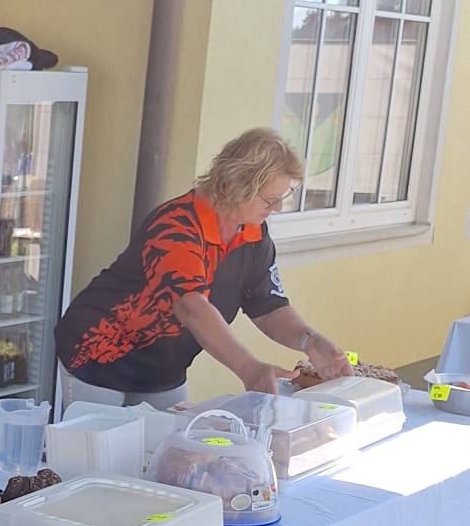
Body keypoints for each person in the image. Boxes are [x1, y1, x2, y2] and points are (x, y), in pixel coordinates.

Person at [55, 127, 351, 410]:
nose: (278, 208)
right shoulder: (177, 225)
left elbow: (268, 307)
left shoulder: (252, 233)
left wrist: (309, 340)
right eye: (270, 199)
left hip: (163, 370)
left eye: (282, 198)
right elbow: (192, 308)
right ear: (235, 186)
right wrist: (249, 368)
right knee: (100, 445)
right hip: (98, 355)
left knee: (171, 444)